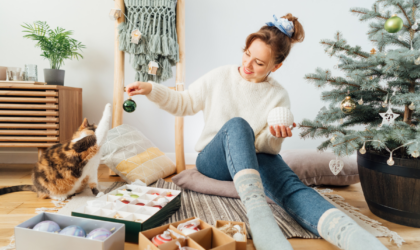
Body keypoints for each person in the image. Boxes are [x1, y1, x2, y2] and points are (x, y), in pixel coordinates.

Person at [126, 13, 387, 250]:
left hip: (253, 158)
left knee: (289, 183)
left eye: (259, 62)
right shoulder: (220, 77)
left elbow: (267, 148)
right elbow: (183, 103)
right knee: (238, 125)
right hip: (214, 161)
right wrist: (151, 89)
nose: (248, 65)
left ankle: (354, 237)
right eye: (246, 54)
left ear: (276, 66)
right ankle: (259, 216)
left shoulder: (278, 96)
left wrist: (276, 134)